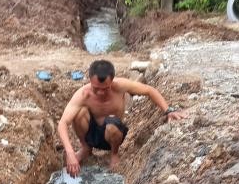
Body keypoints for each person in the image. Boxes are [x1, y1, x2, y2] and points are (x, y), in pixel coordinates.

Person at [57, 59, 187, 176]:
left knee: (112, 122)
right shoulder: (83, 95)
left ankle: (114, 154)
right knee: (79, 113)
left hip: (113, 135)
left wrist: (168, 111)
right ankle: (86, 148)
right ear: (90, 80)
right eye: (96, 88)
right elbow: (63, 123)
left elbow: (149, 90)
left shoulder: (120, 86)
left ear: (112, 81)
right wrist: (70, 153)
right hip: (91, 134)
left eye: (105, 88)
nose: (101, 92)